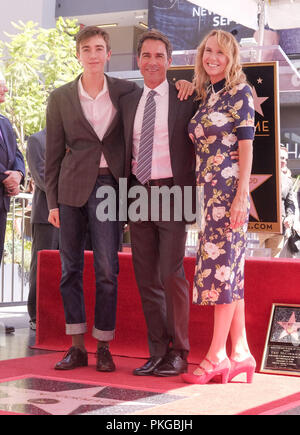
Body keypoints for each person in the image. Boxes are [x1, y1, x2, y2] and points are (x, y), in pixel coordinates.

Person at [45, 26, 192, 372]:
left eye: (100, 48)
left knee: (151, 272)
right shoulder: (86, 98)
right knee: (130, 275)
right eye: (87, 49)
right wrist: (52, 200)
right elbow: (51, 155)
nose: (93, 54)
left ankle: (173, 352)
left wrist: (186, 82)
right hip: (122, 191)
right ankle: (145, 350)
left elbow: (183, 96)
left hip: (154, 191)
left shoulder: (151, 93)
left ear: (110, 54)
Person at [120, 30, 199, 377]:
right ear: (138, 61)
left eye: (159, 56)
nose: (152, 62)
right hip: (139, 191)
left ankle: (179, 350)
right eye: (146, 56)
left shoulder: (186, 96)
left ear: (169, 61)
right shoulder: (128, 99)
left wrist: (192, 85)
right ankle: (156, 351)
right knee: (145, 276)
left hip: (174, 192)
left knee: (171, 273)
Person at [182, 29, 256, 385]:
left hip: (228, 196)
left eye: (220, 53)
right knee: (230, 270)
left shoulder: (240, 92)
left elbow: (246, 148)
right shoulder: (209, 95)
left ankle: (216, 355)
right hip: (209, 196)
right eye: (207, 51)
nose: (212, 57)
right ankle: (240, 351)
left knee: (222, 272)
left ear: (232, 58)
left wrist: (241, 195)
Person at [26, 128, 59, 331]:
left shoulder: (72, 137)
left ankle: (58, 316)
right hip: (46, 214)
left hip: (72, 215)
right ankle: (36, 315)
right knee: (42, 266)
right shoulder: (37, 140)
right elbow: (41, 176)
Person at [0, 72, 25, 334]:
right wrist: (4, 176)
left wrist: (18, 174)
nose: (5, 91)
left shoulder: (5, 122)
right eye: (1, 87)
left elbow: (17, 154)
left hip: (2, 204)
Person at [258, 145, 298, 257]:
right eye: (281, 158)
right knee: (253, 264)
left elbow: (290, 203)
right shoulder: (259, 175)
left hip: (278, 229)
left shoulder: (288, 181)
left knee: (271, 266)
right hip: (258, 229)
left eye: (286, 159)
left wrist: (290, 216)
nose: (284, 161)